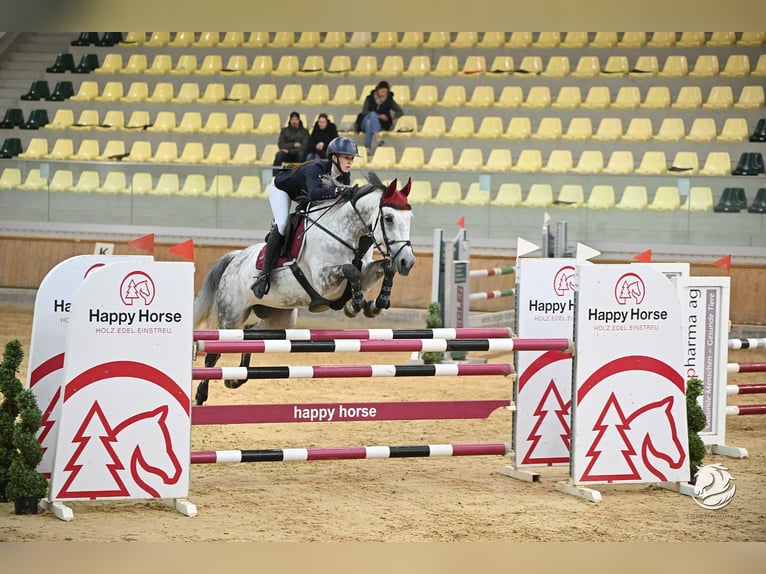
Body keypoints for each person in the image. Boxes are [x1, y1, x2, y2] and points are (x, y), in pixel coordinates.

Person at [252, 136, 362, 298]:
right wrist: (338, 191)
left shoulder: (344, 175)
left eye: (351, 158)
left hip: (304, 195)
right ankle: (264, 274)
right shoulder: (316, 168)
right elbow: (315, 193)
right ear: (334, 157)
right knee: (282, 225)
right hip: (283, 190)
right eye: (346, 157)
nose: (350, 162)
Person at [357, 80, 404, 154]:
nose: (384, 94)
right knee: (372, 114)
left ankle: (367, 147)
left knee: (369, 124)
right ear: (377, 90)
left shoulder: (389, 100)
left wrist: (394, 115)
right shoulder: (369, 98)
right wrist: (378, 116)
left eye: (385, 92)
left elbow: (400, 112)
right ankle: (377, 137)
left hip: (380, 124)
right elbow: (364, 112)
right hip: (364, 121)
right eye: (382, 91)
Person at [272, 111, 309, 176]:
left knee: (301, 154)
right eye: (292, 119)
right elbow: (281, 144)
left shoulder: (304, 131)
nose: (294, 121)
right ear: (290, 120)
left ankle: (300, 175)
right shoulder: (284, 130)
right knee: (279, 154)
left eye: (296, 119)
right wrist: (293, 145)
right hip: (287, 154)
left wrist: (289, 150)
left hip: (298, 154)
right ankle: (275, 176)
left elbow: (304, 146)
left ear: (299, 120)